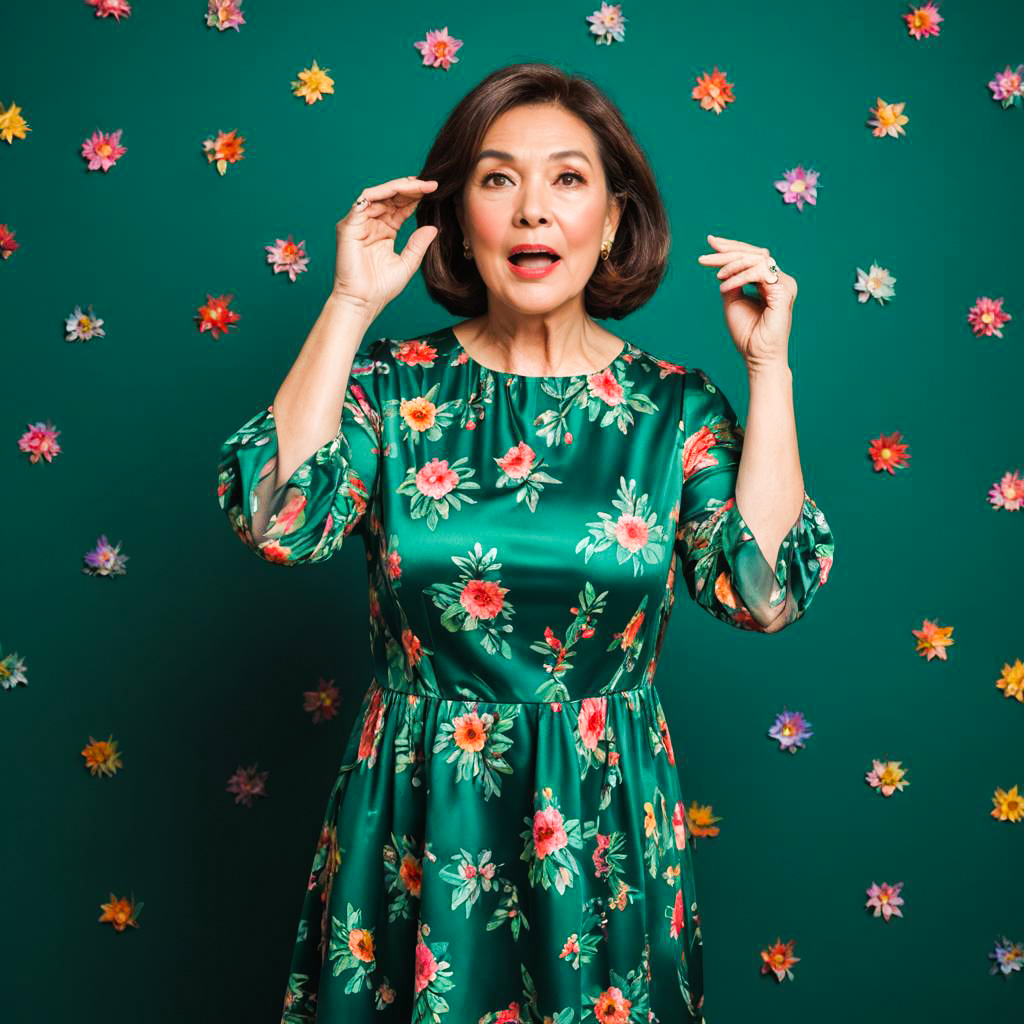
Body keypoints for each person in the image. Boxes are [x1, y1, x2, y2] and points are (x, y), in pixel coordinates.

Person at [217, 62, 835, 1024]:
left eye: (568, 179)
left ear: (617, 219)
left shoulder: (677, 408)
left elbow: (765, 593)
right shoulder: (387, 383)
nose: (533, 210)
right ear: (459, 219)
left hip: (606, 831)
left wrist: (770, 368)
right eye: (499, 179)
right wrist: (348, 304)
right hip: (416, 816)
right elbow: (278, 519)